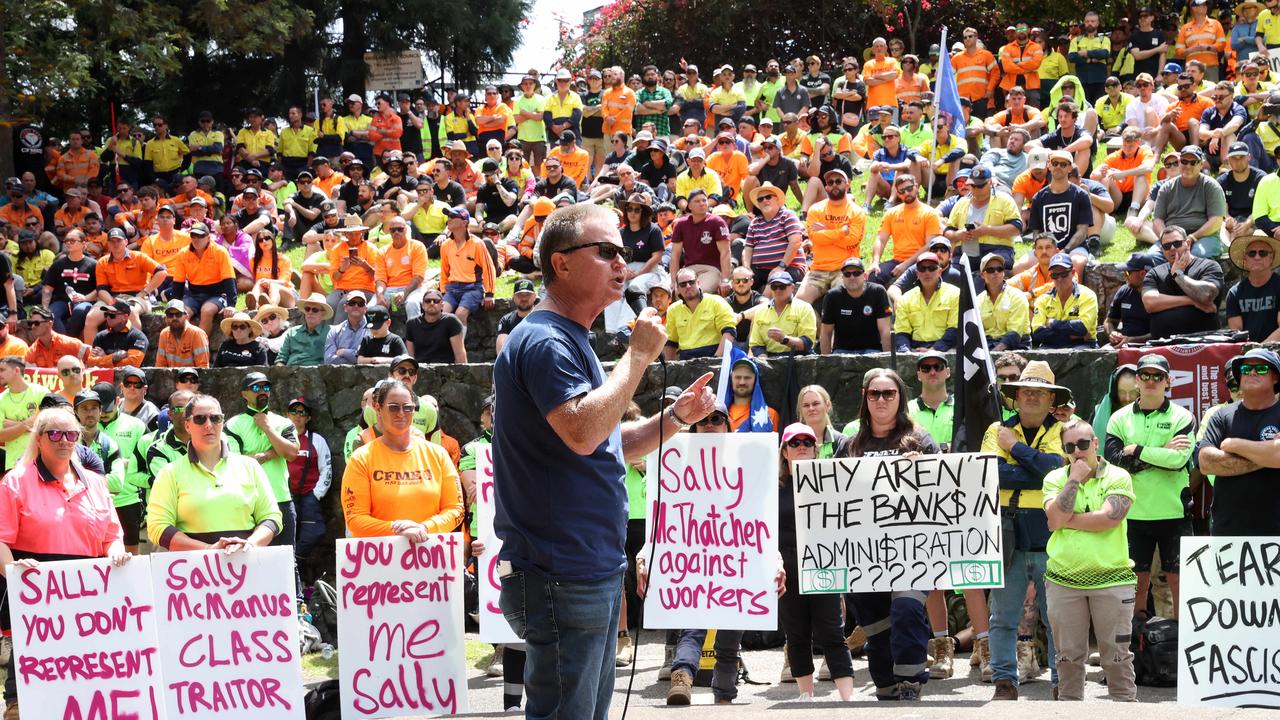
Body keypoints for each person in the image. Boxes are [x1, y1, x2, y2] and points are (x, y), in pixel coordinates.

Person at [491, 203, 716, 720]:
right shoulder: (547, 340)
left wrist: (675, 418)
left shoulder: (570, 339)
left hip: (581, 568)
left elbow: (607, 442)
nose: (622, 262)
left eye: (625, 251)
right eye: (606, 251)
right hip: (560, 572)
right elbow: (583, 432)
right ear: (560, 263)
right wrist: (637, 358)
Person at [0, 407, 131, 720]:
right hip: (36, 586)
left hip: (88, 589)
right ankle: (19, 706)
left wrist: (116, 551)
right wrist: (13, 573)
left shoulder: (97, 484)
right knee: (31, 663)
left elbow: (112, 534)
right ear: (40, 439)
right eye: (55, 434)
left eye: (71, 434)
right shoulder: (15, 482)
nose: (63, 440)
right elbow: (1, 539)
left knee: (85, 668)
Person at [837, 369, 936, 700]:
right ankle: (886, 681)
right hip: (866, 552)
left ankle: (912, 680)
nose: (881, 399)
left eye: (888, 393)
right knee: (877, 625)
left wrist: (923, 469)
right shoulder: (850, 446)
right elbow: (832, 498)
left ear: (900, 398)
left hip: (915, 550)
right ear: (865, 397)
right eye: (874, 394)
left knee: (907, 609)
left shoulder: (921, 442)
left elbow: (945, 493)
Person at [981, 360, 1066, 699]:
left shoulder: (1064, 429)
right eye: (1026, 391)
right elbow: (992, 474)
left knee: (1057, 615)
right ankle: (1004, 681)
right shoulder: (995, 428)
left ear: (1051, 399)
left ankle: (1063, 681)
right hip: (1007, 529)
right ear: (1015, 397)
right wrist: (1036, 468)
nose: (1031, 397)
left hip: (1052, 532)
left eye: (1039, 392)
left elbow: (1055, 471)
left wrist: (1014, 449)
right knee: (1003, 614)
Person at [1043, 419, 1138, 702]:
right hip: (1063, 581)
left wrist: (1065, 521)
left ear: (1095, 444)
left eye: (1083, 445)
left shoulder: (1118, 476)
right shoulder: (1055, 478)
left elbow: (1109, 518)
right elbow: (1054, 518)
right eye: (1069, 447)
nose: (1077, 452)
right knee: (1068, 660)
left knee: (1118, 659)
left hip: (1113, 579)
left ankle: (1125, 708)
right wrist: (1073, 480)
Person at [1103, 353, 1193, 622]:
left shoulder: (1183, 416)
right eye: (1145, 375)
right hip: (1133, 513)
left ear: (1168, 381)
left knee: (1180, 584)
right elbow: (1116, 462)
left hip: (1173, 512)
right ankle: (1134, 648)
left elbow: (1178, 461)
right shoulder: (1118, 418)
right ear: (1137, 381)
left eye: (1157, 376)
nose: (1151, 381)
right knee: (1134, 585)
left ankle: (1182, 646)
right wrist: (1160, 452)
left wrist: (1139, 450)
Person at [774, 422, 856, 701]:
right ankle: (805, 695)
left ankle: (847, 697)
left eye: (806, 443)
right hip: (787, 569)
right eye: (794, 443)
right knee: (796, 634)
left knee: (832, 632)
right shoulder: (772, 486)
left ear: (815, 449)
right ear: (784, 451)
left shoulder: (832, 483)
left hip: (824, 565)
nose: (800, 448)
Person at [145, 393, 282, 551]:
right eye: (200, 419)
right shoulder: (170, 473)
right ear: (187, 425)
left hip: (246, 566)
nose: (209, 425)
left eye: (215, 418)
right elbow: (157, 528)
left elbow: (272, 518)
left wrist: (251, 544)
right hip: (193, 571)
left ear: (222, 422)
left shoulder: (250, 467)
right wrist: (209, 550)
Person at [1196, 347, 1280, 535]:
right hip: (1228, 530)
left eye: (1260, 368)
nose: (1251, 372)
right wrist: (1267, 456)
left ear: (1275, 377)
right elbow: (1206, 462)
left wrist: (1234, 445)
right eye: (1245, 369)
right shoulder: (1221, 415)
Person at [1142, 225, 1224, 340]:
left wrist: (1178, 274)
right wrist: (1191, 300)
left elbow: (1206, 295)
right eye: (1166, 246)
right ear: (1162, 250)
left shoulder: (1209, 266)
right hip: (1163, 345)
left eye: (1177, 243)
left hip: (1204, 343)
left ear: (1188, 244)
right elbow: (1150, 303)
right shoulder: (1154, 273)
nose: (1172, 248)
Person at [819, 256, 891, 354]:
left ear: (865, 276)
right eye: (847, 274)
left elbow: (885, 330)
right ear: (842, 278)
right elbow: (826, 333)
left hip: (872, 350)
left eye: (856, 273)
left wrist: (887, 360)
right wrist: (826, 363)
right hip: (842, 351)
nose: (852, 277)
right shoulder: (832, 296)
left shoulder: (877, 292)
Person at [892, 252, 960, 352]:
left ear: (940, 271)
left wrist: (934, 350)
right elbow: (901, 332)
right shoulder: (906, 298)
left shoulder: (955, 294)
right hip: (915, 349)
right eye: (922, 269)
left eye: (932, 268)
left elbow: (955, 329)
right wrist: (907, 352)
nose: (927, 272)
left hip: (946, 348)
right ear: (917, 273)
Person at [1031, 252, 1099, 349]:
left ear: (1073, 272)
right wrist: (1071, 336)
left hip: (1083, 345)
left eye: (1064, 274)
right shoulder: (1043, 299)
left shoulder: (1088, 295)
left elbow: (1082, 328)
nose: (1059, 279)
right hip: (1052, 344)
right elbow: (1037, 333)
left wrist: (1052, 323)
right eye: (1055, 275)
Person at [668, 189, 731, 293]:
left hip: (711, 269)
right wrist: (673, 281)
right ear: (689, 206)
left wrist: (725, 279)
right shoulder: (681, 224)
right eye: (697, 201)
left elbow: (725, 252)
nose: (702, 203)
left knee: (699, 291)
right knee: (667, 290)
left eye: (704, 200)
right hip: (688, 270)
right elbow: (675, 255)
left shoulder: (717, 222)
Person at [748, 269, 816, 358]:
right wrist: (763, 358)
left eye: (782, 286)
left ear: (792, 287)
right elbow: (756, 344)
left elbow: (807, 343)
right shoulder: (761, 310)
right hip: (769, 359)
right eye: (774, 287)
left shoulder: (804, 308)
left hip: (798, 359)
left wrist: (784, 339)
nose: (778, 290)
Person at [1227, 234, 1280, 342]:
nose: (1257, 257)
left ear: (1272, 257)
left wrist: (1260, 350)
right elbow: (1236, 333)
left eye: (1263, 253)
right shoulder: (1234, 293)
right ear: (1245, 259)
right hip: (1247, 352)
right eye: (1252, 253)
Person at [0, 356, 48, 472]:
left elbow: (47, 425)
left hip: (42, 460)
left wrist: (12, 424)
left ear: (16, 370)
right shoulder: (1, 399)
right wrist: (27, 424)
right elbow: (1, 436)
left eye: (2, 370)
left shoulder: (41, 392)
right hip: (13, 464)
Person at [977, 252, 1031, 350]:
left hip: (1016, 345)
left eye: (1000, 269)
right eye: (990, 270)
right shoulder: (978, 301)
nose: (996, 272)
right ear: (982, 275)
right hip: (988, 344)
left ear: (1003, 272)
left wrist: (994, 354)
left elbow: (1014, 334)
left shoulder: (1017, 296)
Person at [404, 288, 466, 364]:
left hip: (445, 370)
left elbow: (460, 354)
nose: (432, 303)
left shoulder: (451, 321)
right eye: (428, 301)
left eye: (436, 301)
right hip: (421, 369)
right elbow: (410, 356)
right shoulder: (412, 323)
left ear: (442, 305)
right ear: (422, 305)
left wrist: (463, 374)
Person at [1105, 253, 1155, 347]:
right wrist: (1112, 333)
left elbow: (1162, 333)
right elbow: (1109, 321)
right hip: (1122, 344)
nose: (1124, 276)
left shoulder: (1159, 294)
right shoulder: (1124, 291)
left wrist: (1132, 340)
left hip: (1150, 347)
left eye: (1127, 272)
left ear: (1142, 274)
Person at [90, 298, 148, 368]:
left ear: (125, 317)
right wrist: (113, 357)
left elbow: (133, 364)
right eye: (106, 314)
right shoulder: (100, 336)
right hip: (104, 377)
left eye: (112, 315)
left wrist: (105, 358)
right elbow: (90, 362)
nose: (108, 318)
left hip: (127, 377)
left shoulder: (138, 337)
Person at [276, 293, 331, 366]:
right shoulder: (292, 332)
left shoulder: (330, 333)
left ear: (323, 313)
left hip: (315, 373)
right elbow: (281, 358)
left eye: (315, 310)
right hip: (290, 373)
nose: (310, 312)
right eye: (307, 309)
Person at [153, 298, 209, 368]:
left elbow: (203, 367)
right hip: (170, 378)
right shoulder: (164, 334)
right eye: (170, 315)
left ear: (186, 316)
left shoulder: (197, 334)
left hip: (191, 378)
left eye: (178, 314)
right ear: (166, 318)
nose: (174, 318)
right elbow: (160, 365)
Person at [324, 290, 368, 365]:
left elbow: (369, 356)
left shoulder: (373, 331)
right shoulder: (335, 330)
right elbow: (329, 360)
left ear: (365, 309)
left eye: (360, 303)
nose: (356, 306)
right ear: (345, 307)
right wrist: (358, 360)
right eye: (352, 303)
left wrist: (343, 352)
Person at [495, 279, 537, 354]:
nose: (524, 298)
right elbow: (501, 346)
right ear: (513, 297)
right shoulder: (506, 320)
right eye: (520, 295)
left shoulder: (541, 318)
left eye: (527, 295)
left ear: (534, 296)